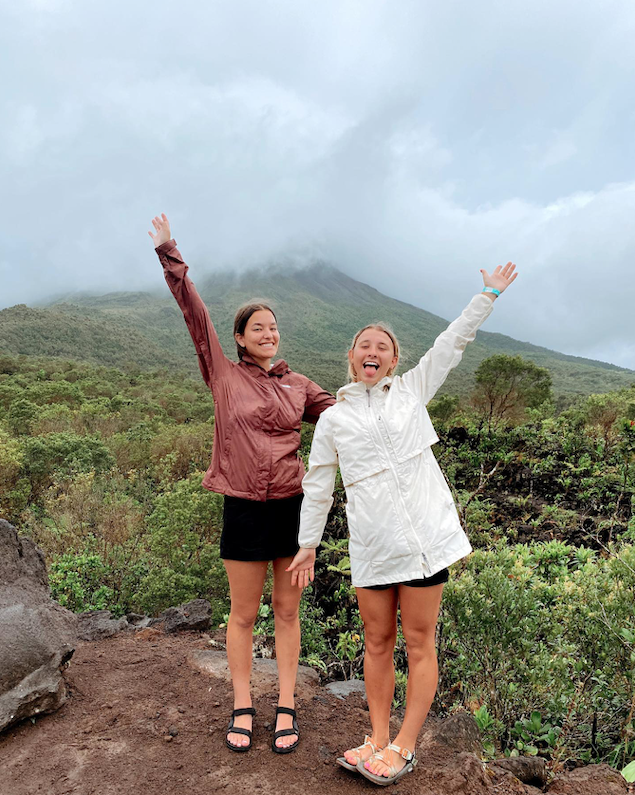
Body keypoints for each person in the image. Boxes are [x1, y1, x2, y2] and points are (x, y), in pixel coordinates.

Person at [288, 262, 518, 785]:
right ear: (350, 357)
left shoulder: (413, 391)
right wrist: (307, 545)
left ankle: (404, 745)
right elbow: (319, 485)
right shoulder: (333, 419)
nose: (373, 351)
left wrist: (487, 294)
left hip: (423, 546)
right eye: (364, 345)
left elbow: (451, 344)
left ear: (394, 360)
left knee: (419, 642)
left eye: (383, 346)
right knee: (375, 642)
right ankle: (375, 737)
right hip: (372, 548)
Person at [148, 214, 335, 754]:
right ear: (238, 338)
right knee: (244, 613)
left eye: (274, 327)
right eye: (259, 328)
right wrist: (169, 254)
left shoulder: (299, 385)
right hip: (243, 507)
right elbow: (194, 314)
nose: (270, 334)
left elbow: (344, 415)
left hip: (292, 508)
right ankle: (243, 704)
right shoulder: (223, 374)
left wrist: (388, 389)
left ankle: (287, 707)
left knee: (288, 611)